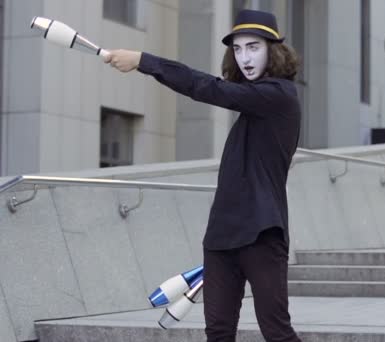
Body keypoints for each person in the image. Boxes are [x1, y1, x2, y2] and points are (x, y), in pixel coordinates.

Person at [104, 9, 301, 342]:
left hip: (263, 235)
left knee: (277, 332)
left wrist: (143, 60)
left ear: (274, 49)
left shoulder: (279, 96)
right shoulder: (252, 108)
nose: (244, 57)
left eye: (253, 47)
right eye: (237, 49)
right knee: (218, 334)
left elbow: (207, 88)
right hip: (222, 236)